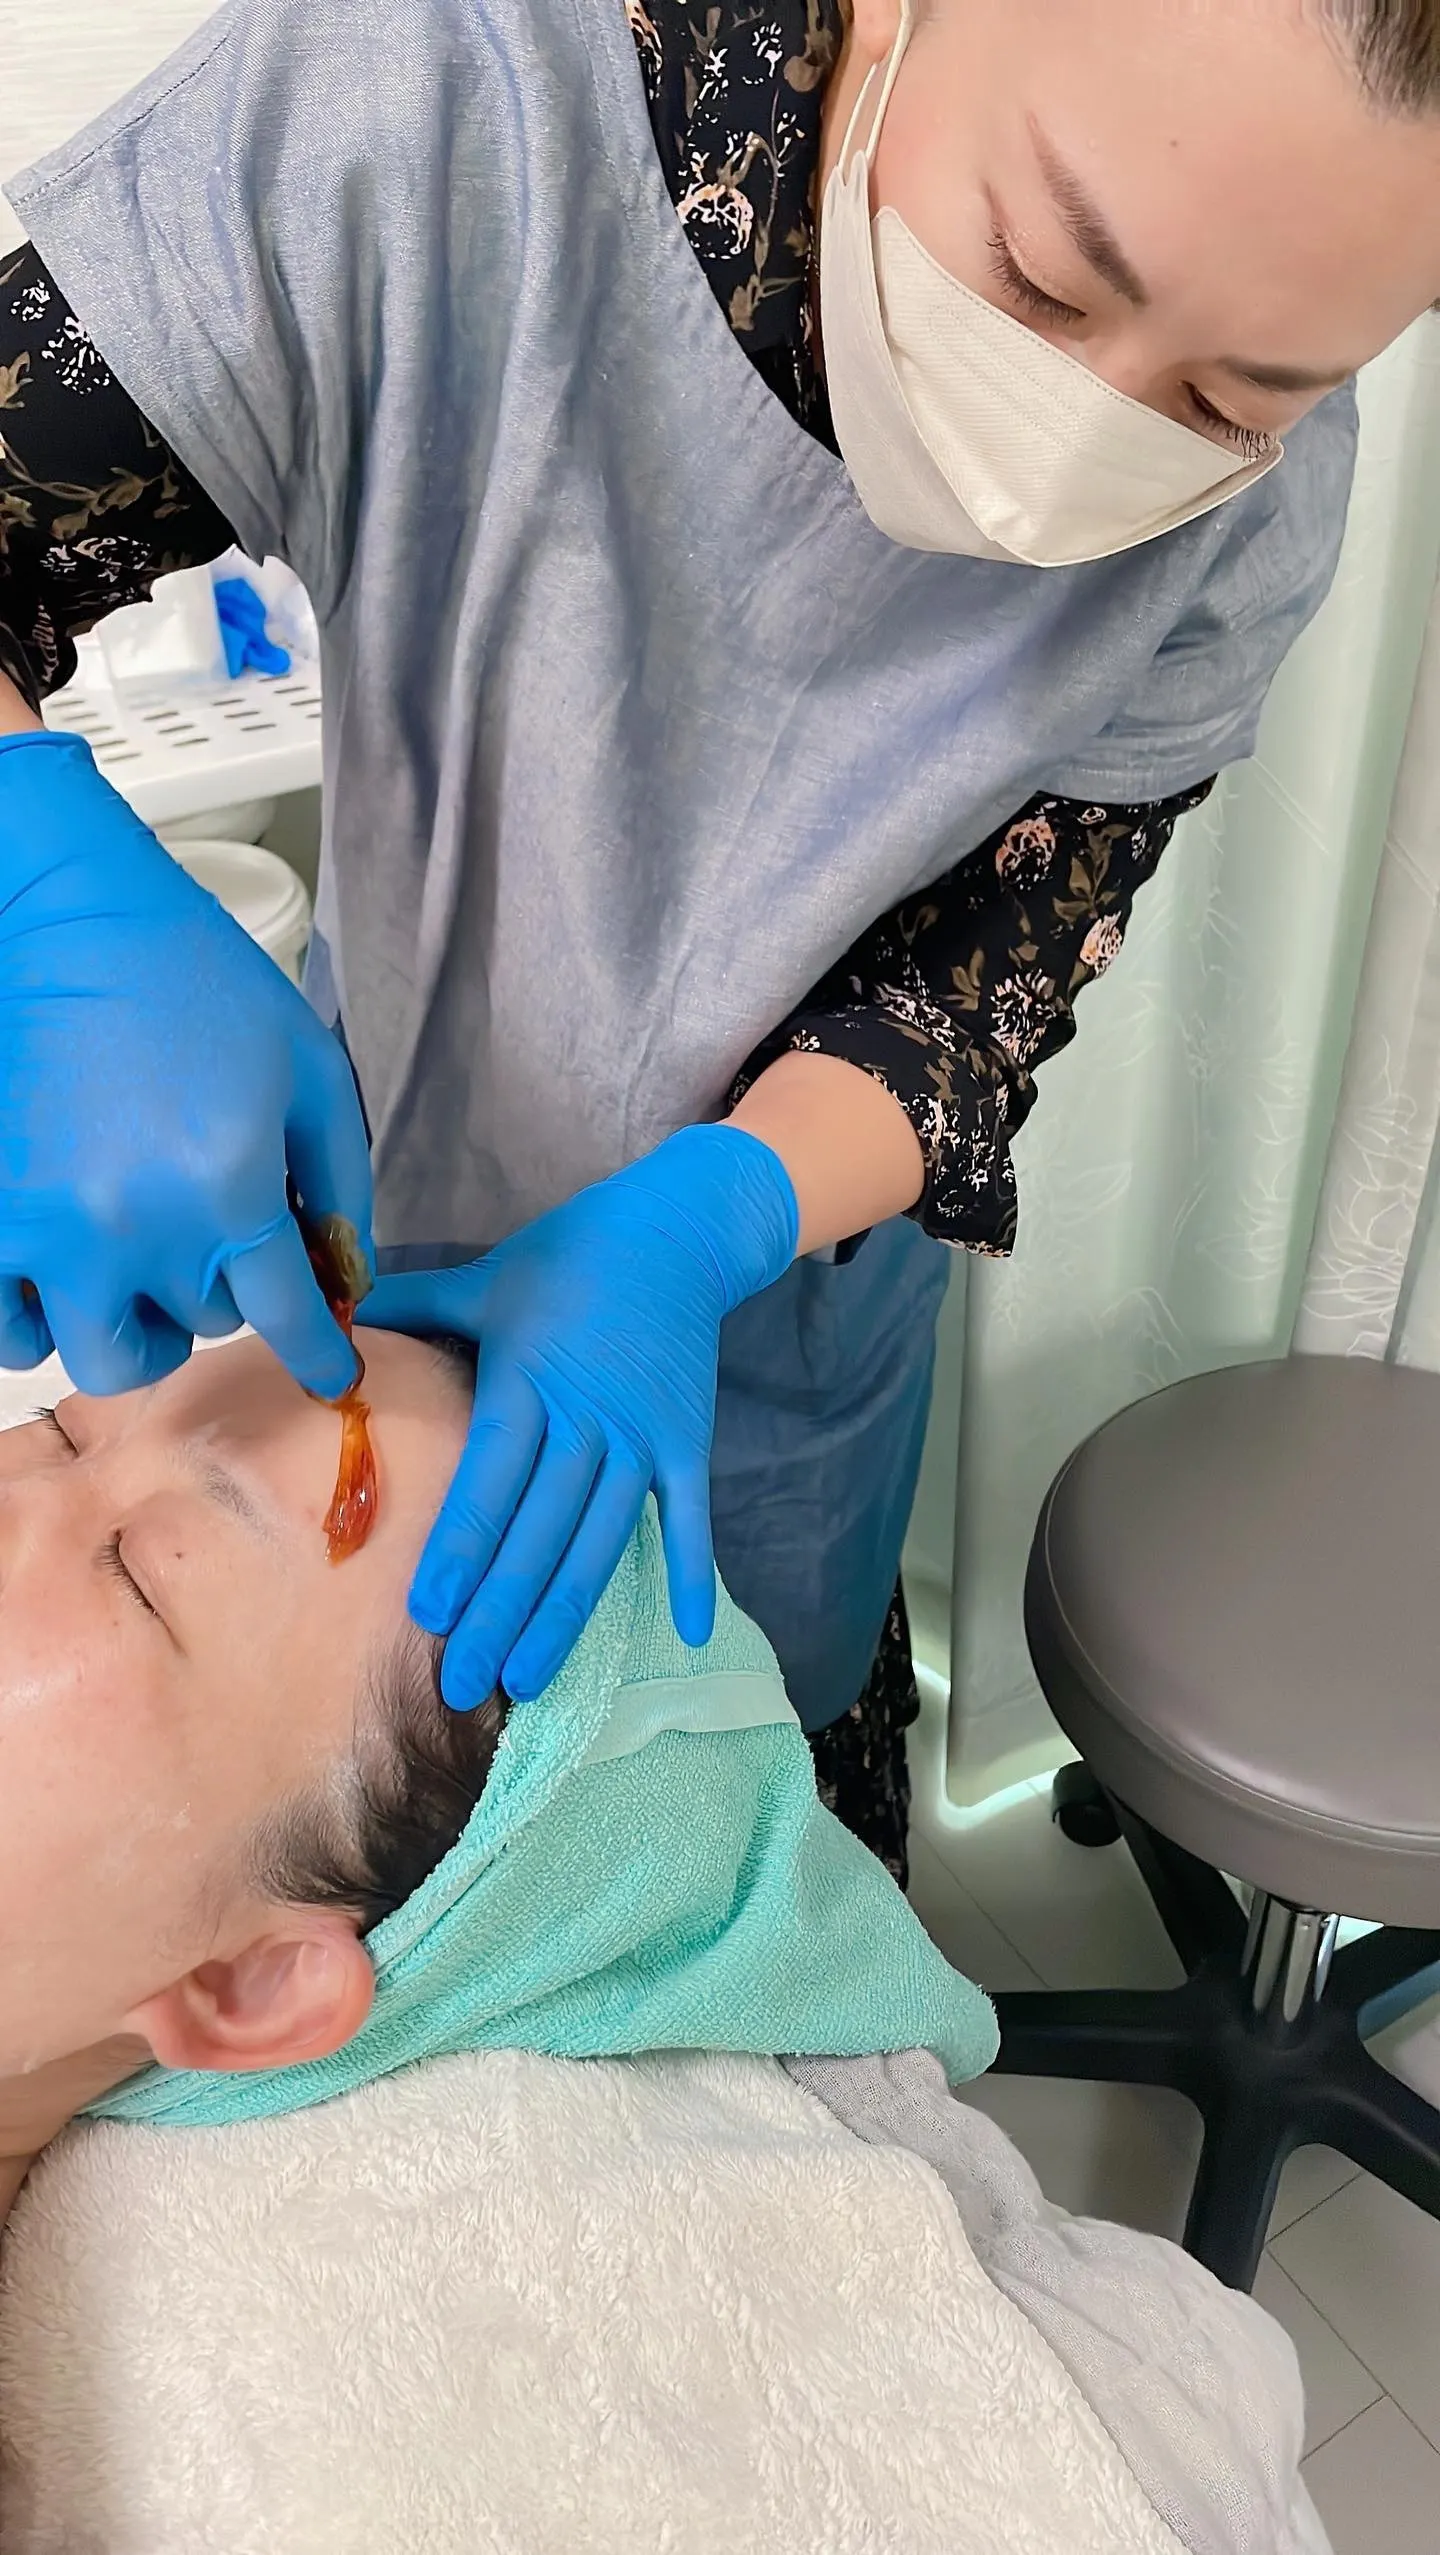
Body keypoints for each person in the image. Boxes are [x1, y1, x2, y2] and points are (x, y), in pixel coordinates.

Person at [2, 0, 1439, 1881]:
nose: (1084, 434)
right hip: (393, 1152)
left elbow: (978, 986)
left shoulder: (1260, 521)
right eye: (1044, 275)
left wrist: (714, 1217)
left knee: (740, 1808)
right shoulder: (453, 99)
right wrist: (44, 881)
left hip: (787, 1273)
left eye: (1231, 400)